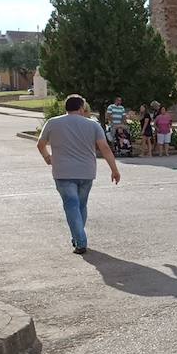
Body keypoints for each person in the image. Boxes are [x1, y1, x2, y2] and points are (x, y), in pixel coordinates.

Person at [36, 93, 121, 254]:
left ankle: (80, 240)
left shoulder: (53, 123)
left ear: (66, 108)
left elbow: (40, 144)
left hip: (63, 171)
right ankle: (78, 237)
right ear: (81, 108)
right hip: (86, 172)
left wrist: (48, 158)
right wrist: (114, 170)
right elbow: (105, 148)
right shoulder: (93, 125)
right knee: (81, 205)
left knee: (71, 205)